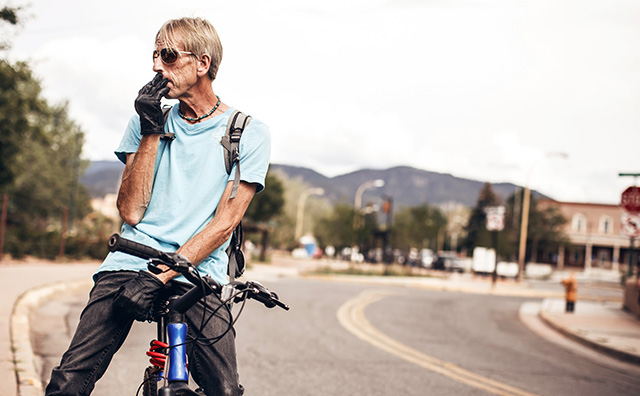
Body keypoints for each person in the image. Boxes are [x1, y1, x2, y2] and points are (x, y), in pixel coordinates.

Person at [45, 17, 270, 396]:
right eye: (154, 55)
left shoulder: (247, 131)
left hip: (197, 271)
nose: (155, 67)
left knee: (225, 390)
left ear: (202, 63)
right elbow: (131, 211)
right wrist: (151, 128)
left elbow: (225, 223)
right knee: (68, 382)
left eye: (167, 56)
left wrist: (159, 276)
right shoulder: (147, 117)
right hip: (131, 261)